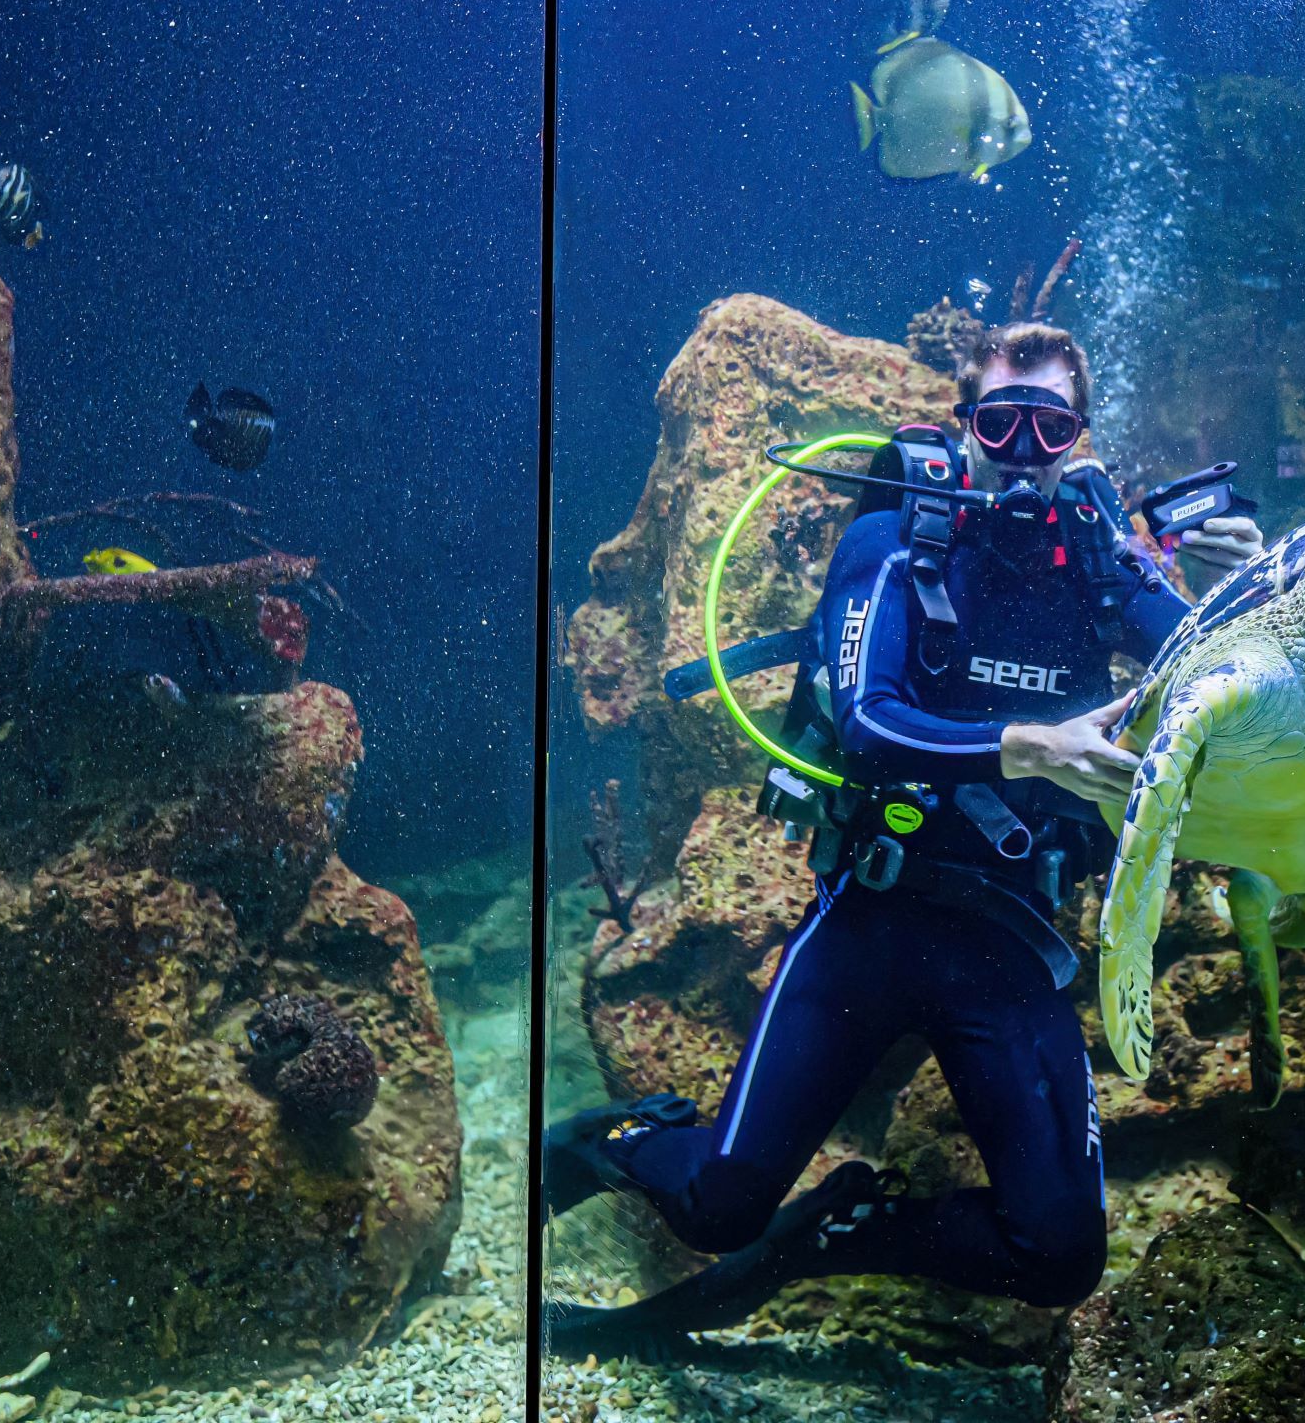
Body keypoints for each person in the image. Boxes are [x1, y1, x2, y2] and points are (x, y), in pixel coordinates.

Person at [540, 321, 1262, 1347]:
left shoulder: (1106, 560)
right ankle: (621, 1135)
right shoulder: (899, 539)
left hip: (1012, 944)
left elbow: (1215, 674)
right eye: (998, 420)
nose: (1020, 447)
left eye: (1048, 426)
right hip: (872, 922)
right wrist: (1029, 745)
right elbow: (871, 722)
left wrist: (1230, 591)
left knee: (1060, 1251)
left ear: (1078, 438)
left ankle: (839, 1230)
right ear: (964, 424)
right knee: (716, 1210)